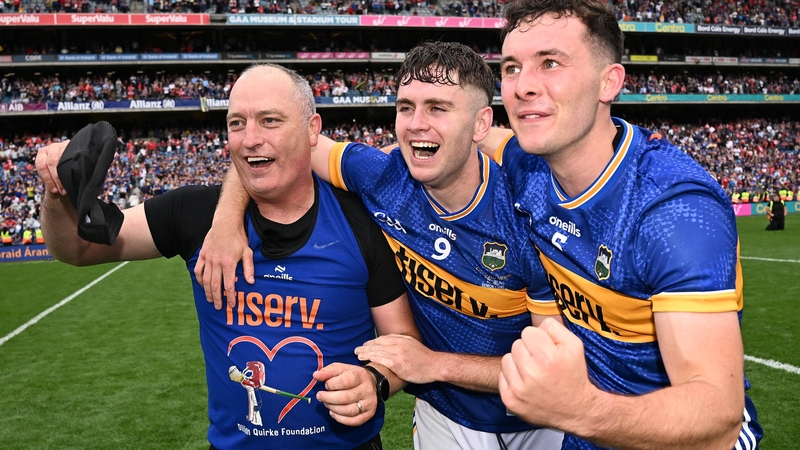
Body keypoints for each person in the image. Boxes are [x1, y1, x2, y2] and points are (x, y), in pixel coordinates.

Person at [198, 43, 564, 449]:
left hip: (535, 418)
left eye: (437, 108)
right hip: (444, 414)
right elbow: (271, 145)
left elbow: (551, 370)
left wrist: (433, 364)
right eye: (406, 108)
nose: (416, 124)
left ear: (481, 124)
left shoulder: (528, 214)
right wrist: (226, 218)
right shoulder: (380, 176)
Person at [35, 64, 420, 450]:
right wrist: (58, 192)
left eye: (270, 120)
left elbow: (402, 337)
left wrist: (375, 380)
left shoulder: (360, 220)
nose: (250, 139)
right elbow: (77, 248)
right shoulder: (193, 213)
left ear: (312, 129)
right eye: (237, 123)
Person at [480, 0, 763, 448]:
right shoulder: (526, 163)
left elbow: (718, 416)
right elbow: (487, 137)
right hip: (592, 432)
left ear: (608, 82)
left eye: (550, 63)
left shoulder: (672, 209)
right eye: (512, 67)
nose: (522, 86)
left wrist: (579, 409)